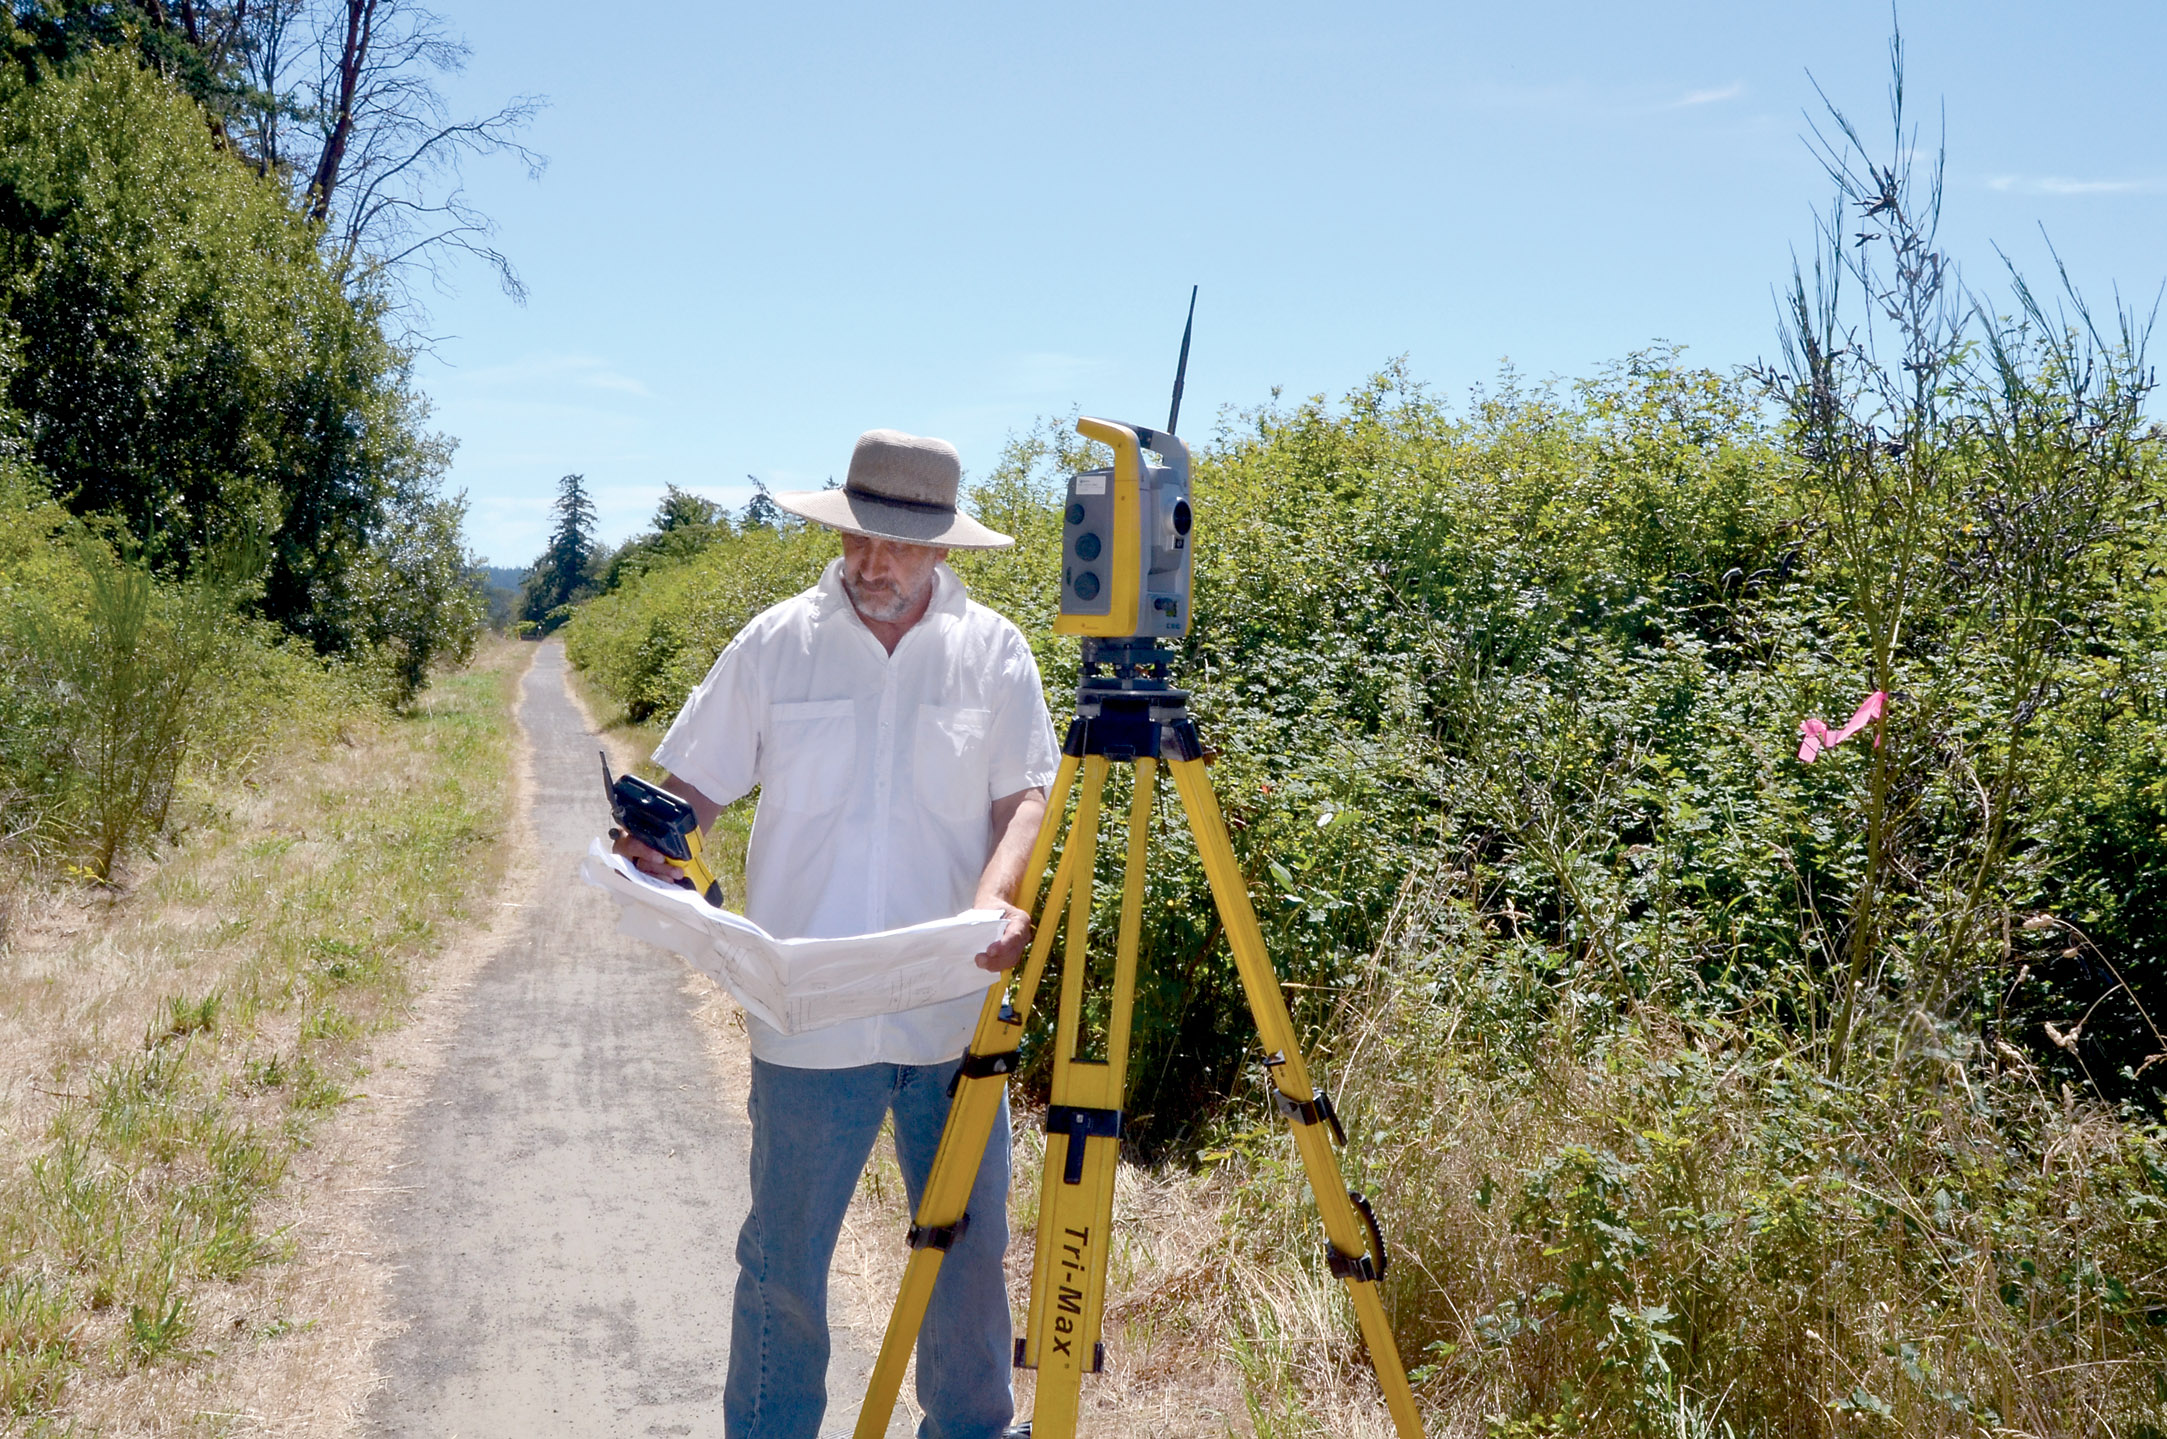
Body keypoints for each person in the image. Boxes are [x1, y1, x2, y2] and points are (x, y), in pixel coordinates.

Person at [612, 429, 1055, 1439]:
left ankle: (970, 1429)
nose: (874, 562)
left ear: (943, 547)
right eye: (860, 538)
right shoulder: (776, 641)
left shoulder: (994, 652)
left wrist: (996, 899)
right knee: (784, 1261)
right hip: (808, 1012)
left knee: (969, 1253)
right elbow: (694, 785)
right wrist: (653, 843)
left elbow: (1023, 795)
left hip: (951, 1008)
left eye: (899, 545)